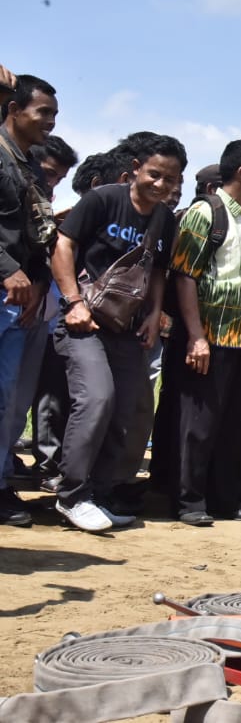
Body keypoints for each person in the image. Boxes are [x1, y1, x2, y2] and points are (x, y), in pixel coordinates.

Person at [51, 132, 185, 531]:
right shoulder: (103, 199)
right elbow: (63, 246)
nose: (161, 185)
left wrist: (154, 313)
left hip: (127, 328)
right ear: (136, 171)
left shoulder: (164, 218)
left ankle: (100, 493)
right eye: (154, 175)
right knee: (96, 399)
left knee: (127, 410)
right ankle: (71, 495)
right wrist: (73, 302)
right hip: (85, 322)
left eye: (170, 179)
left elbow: (158, 270)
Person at [168, 140, 241, 526]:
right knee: (199, 424)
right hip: (209, 338)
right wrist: (195, 335)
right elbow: (184, 275)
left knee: (232, 425)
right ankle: (188, 501)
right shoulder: (206, 212)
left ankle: (223, 501)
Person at [0, 74, 58, 527]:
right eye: (43, 112)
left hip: (21, 299)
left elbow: (38, 234)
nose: (50, 123)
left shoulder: (31, 165)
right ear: (14, 109)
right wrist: (9, 270)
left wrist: (36, 278)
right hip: (4, 287)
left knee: (7, 400)